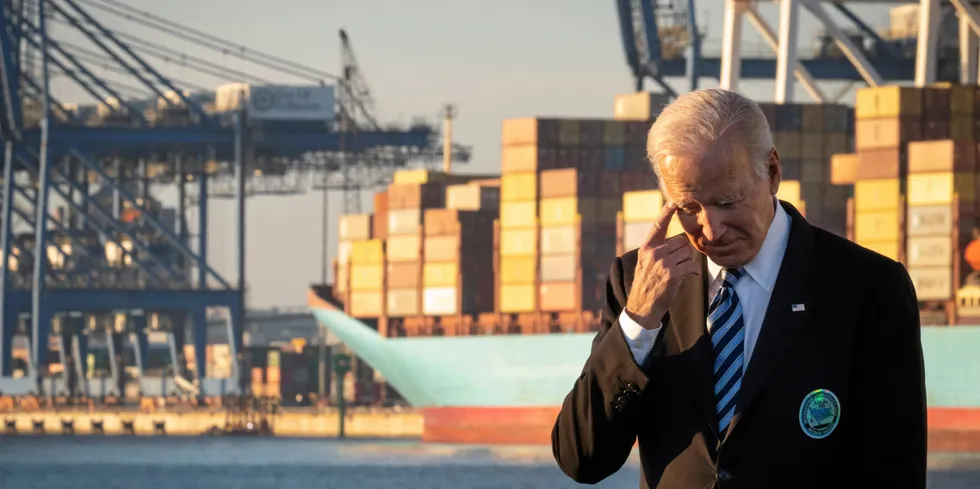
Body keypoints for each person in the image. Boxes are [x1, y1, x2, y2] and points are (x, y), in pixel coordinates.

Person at [551, 89, 927, 489]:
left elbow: (895, 472)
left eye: (728, 202)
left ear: (773, 172)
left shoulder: (868, 288)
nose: (711, 231)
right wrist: (639, 322)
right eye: (690, 208)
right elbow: (582, 459)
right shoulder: (636, 281)